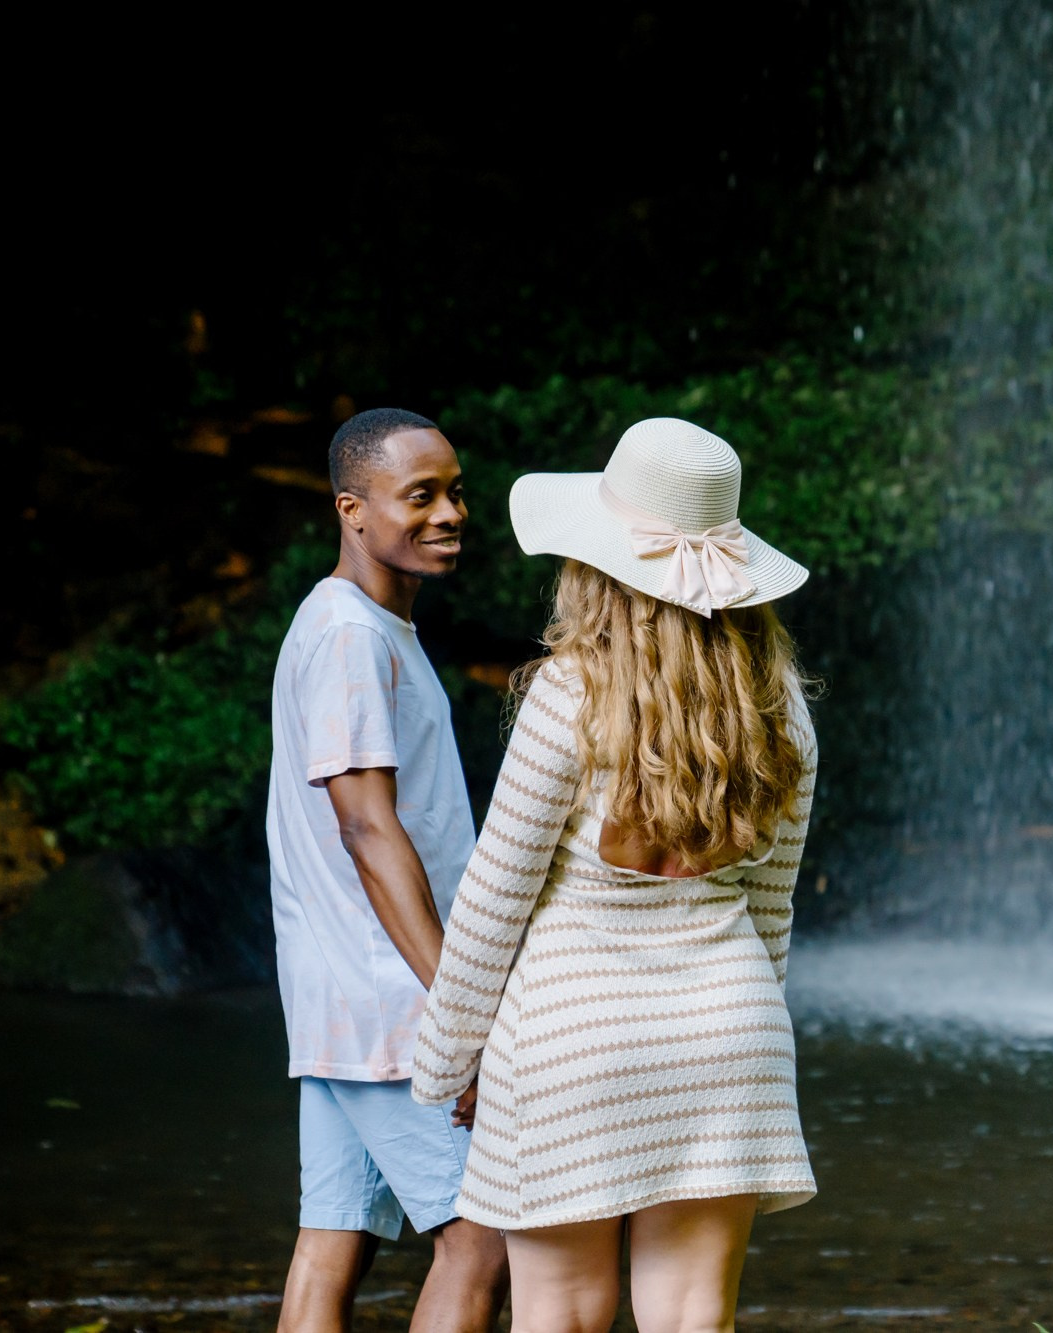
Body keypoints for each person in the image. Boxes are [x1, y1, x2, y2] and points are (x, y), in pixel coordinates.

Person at [411, 416, 818, 1333]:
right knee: (689, 1320)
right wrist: (742, 1036)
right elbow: (772, 906)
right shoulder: (779, 704)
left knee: (563, 1315)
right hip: (727, 1035)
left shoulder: (570, 693)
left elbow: (494, 899)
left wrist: (443, 1063)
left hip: (574, 1040)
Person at [266, 408, 509, 1333]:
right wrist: (462, 1013)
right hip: (392, 998)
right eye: (421, 496)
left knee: (334, 1243)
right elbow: (368, 829)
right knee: (482, 1241)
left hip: (343, 990)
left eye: (455, 492)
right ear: (352, 510)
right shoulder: (350, 637)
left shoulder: (361, 625)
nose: (450, 513)